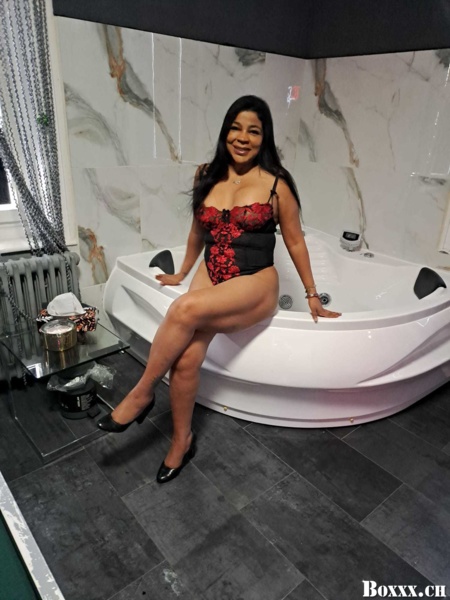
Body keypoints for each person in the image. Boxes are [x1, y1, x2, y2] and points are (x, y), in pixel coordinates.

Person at [97, 95, 341, 483]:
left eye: (253, 131)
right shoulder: (206, 174)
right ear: (226, 131)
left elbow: (295, 242)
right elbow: (198, 231)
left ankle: (142, 393)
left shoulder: (277, 184)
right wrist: (181, 272)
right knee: (186, 360)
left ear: (264, 137)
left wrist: (312, 294)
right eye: (235, 128)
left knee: (183, 310)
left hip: (255, 280)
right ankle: (182, 440)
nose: (243, 138)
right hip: (212, 271)